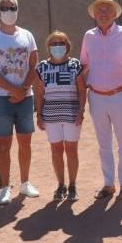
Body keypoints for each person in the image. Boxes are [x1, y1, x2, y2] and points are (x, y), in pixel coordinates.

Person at [80, 0, 122, 200]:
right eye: (100, 9)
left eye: (107, 9)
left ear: (115, 13)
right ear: (94, 14)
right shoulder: (88, 36)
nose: (103, 13)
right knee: (103, 144)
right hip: (96, 97)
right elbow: (84, 65)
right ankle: (109, 184)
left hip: (120, 96)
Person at [0, 0, 40, 204]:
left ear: (17, 9)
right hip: (1, 98)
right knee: (3, 144)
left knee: (25, 142)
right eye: (4, 8)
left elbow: (34, 64)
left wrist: (23, 89)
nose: (9, 11)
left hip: (25, 97)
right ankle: (5, 186)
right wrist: (13, 90)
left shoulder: (27, 35)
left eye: (12, 7)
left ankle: (25, 183)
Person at [34, 31, 86, 202]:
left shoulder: (75, 65)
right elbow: (40, 93)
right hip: (51, 116)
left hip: (72, 114)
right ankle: (60, 185)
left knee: (71, 150)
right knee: (56, 150)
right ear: (48, 46)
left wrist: (81, 112)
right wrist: (39, 115)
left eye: (61, 43)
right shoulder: (41, 67)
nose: (57, 47)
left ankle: (72, 185)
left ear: (67, 45)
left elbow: (81, 90)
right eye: (54, 43)